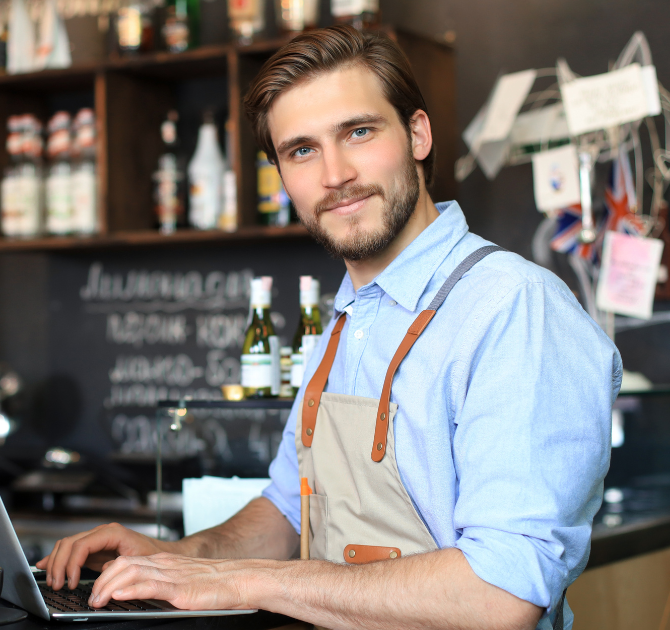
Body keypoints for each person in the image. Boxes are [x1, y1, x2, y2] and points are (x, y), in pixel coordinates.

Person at [37, 24, 620, 630]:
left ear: (417, 134)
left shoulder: (515, 307)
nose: (334, 173)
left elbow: (501, 595)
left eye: (359, 132)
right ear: (282, 176)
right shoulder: (348, 319)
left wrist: (238, 580)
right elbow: (287, 513)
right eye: (302, 150)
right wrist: (174, 559)